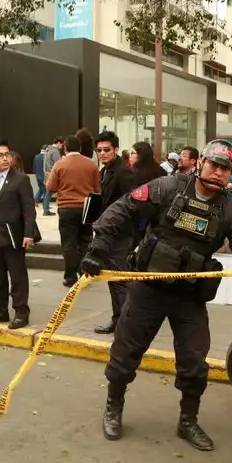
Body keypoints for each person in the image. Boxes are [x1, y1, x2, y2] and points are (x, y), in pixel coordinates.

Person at [79, 139, 232, 452]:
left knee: (194, 364)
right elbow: (122, 209)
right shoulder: (167, 188)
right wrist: (96, 250)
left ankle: (188, 420)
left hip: (189, 298)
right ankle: (114, 406)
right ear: (200, 164)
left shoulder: (231, 211)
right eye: (214, 165)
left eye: (225, 169)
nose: (219, 173)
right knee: (125, 353)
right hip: (148, 289)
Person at [0, 142, 38, 329]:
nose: (5, 158)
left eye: (7, 154)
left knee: (18, 277)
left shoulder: (20, 179)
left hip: (13, 236)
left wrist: (28, 234)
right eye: (0, 155)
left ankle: (21, 312)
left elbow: (29, 210)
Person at [92, 130, 136, 335]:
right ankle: (117, 319)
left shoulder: (123, 172)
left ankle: (125, 324)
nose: (102, 153)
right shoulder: (105, 171)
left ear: (116, 149)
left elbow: (131, 204)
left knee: (120, 281)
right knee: (113, 280)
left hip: (120, 234)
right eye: (99, 150)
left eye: (106, 149)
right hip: (108, 233)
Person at [46, 135, 100, 287]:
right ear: (80, 148)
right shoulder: (91, 165)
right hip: (87, 206)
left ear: (65, 148)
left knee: (69, 244)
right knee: (85, 241)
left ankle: (70, 277)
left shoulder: (59, 164)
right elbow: (97, 188)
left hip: (67, 207)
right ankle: (85, 274)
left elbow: (51, 188)